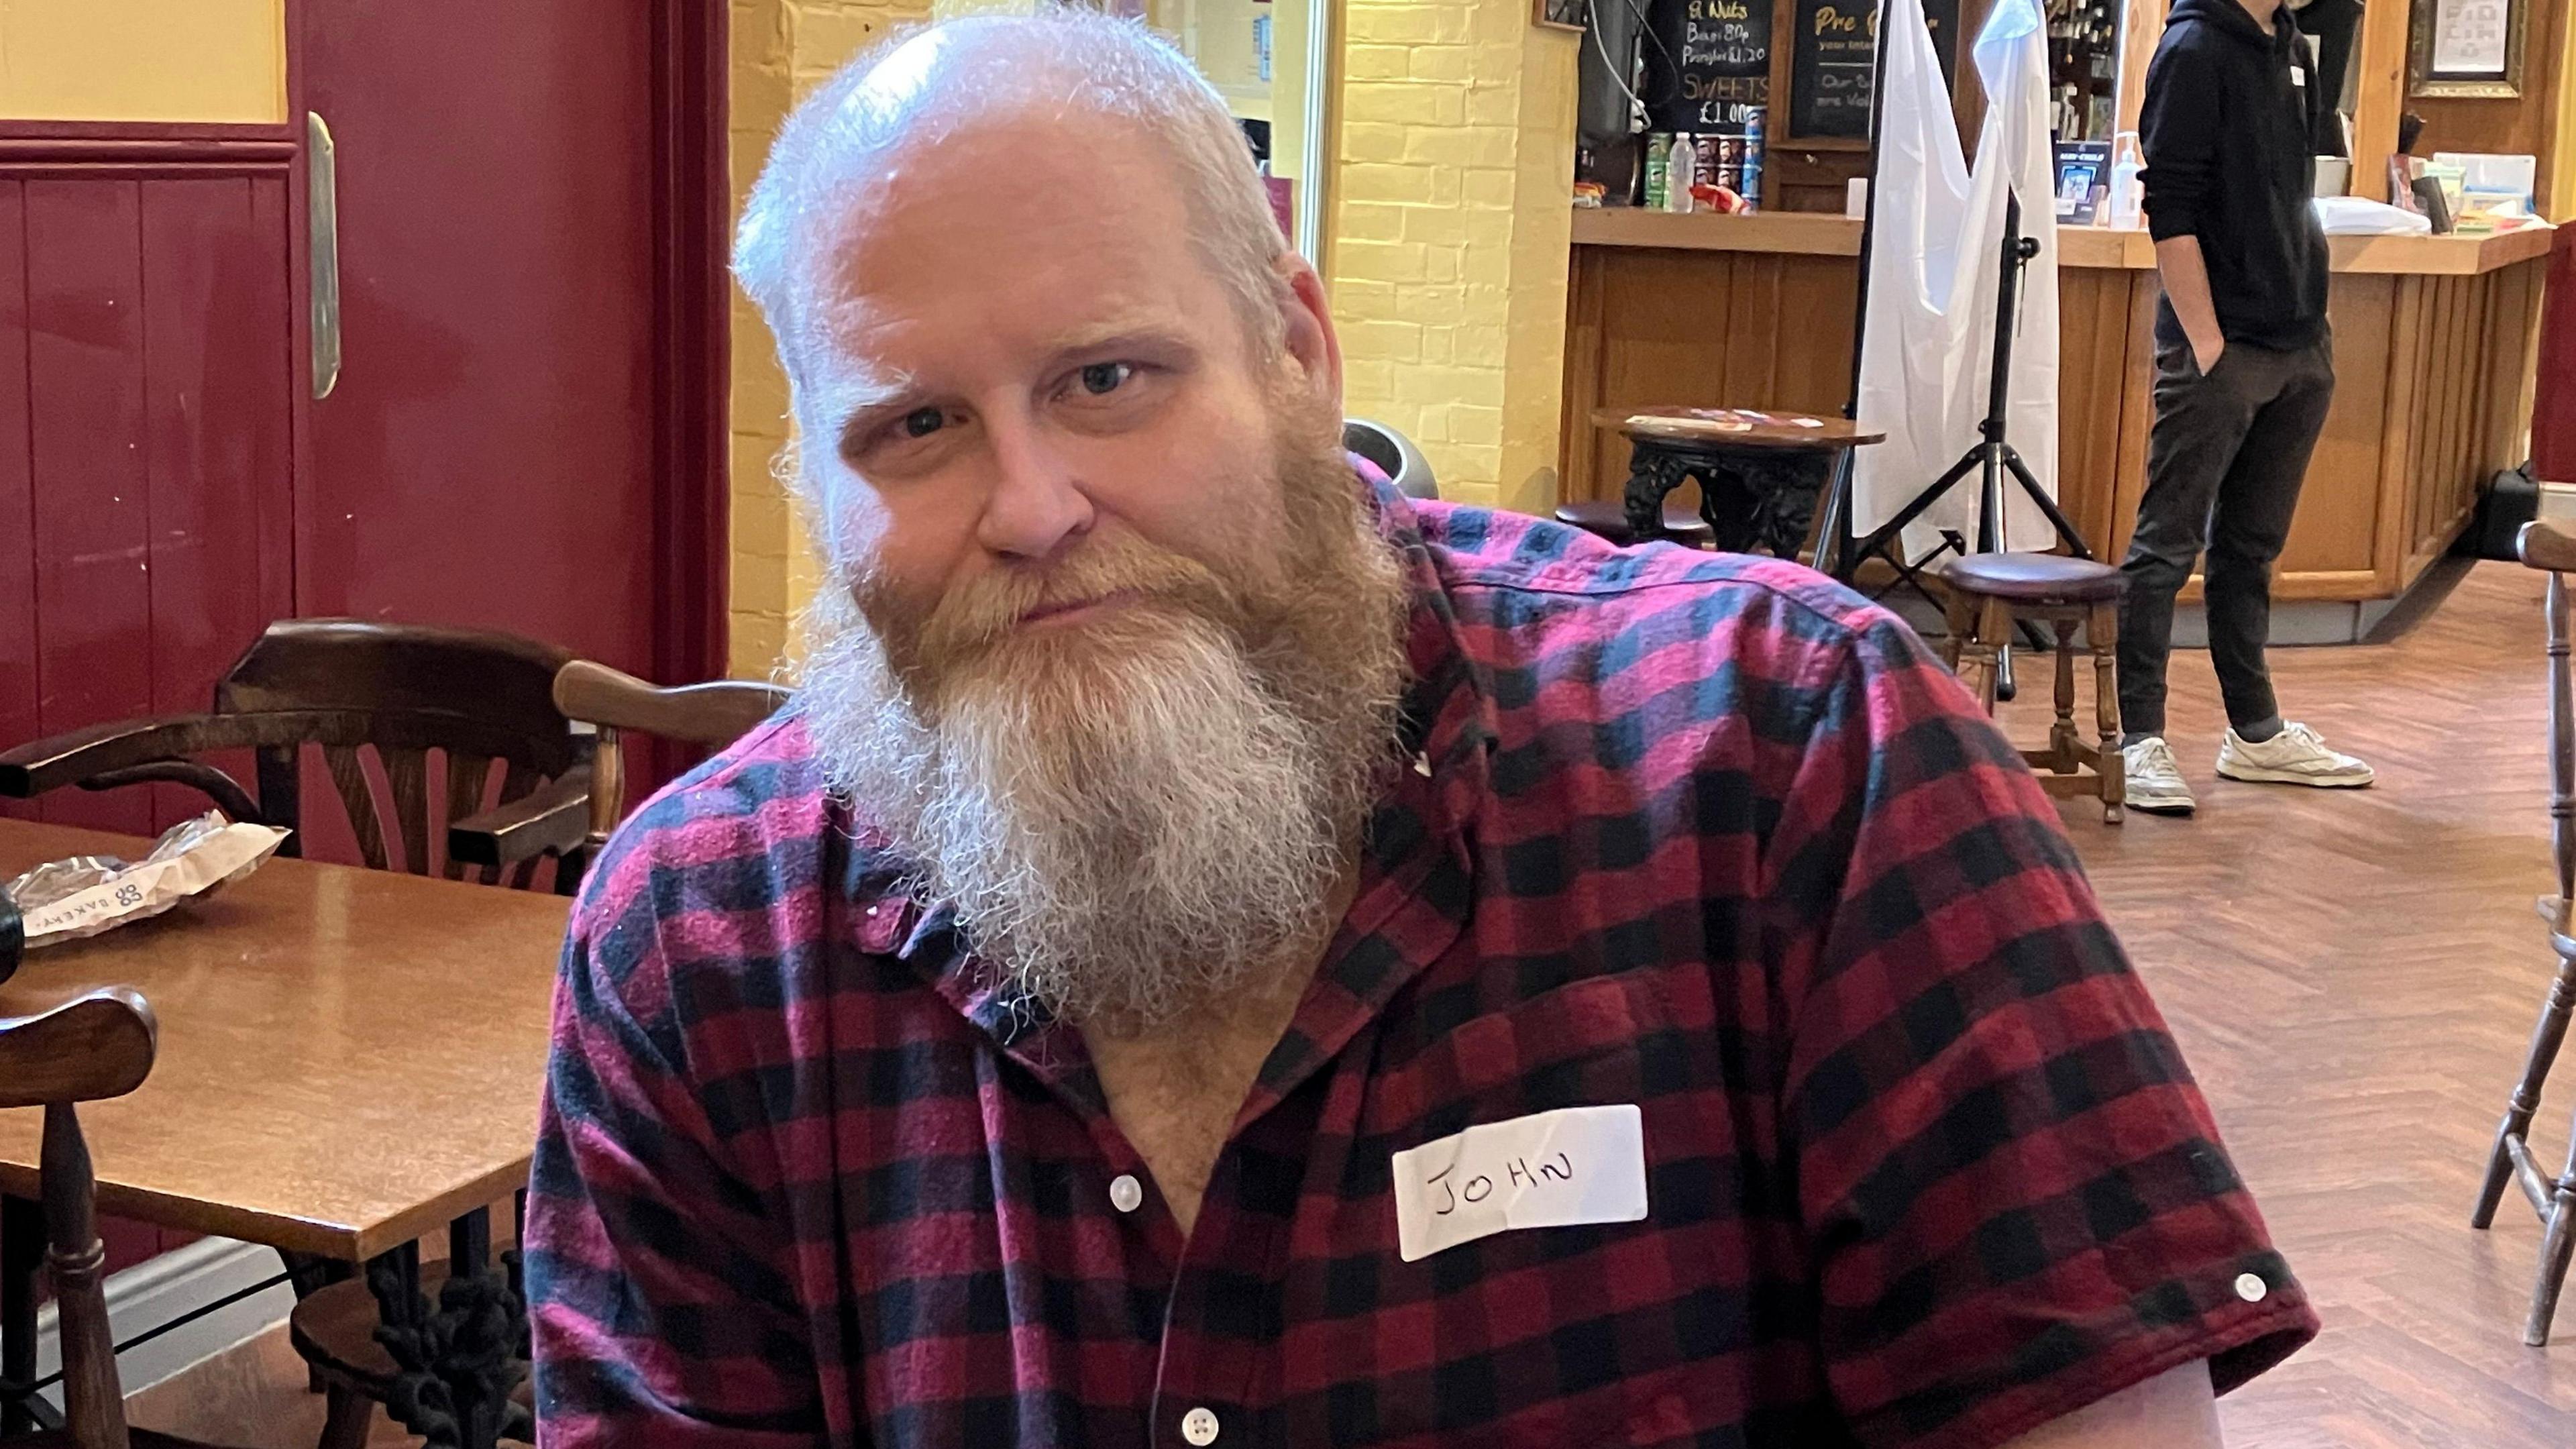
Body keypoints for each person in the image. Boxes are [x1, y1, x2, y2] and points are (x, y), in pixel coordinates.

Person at [523, 12, 2315, 1445]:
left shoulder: (1796, 764)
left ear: (1298, 351)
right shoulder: (697, 947)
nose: (1034, 503)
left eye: (1107, 379)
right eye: (913, 429)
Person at [2118, 0, 2374, 816]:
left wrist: (2311, 331)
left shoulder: (2291, 44)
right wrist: (2207, 345)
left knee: (2251, 550)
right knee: (2166, 545)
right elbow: (2172, 207)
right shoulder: (2193, 47)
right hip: (2222, 347)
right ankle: (2138, 739)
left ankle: (2254, 732)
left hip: (2300, 340)